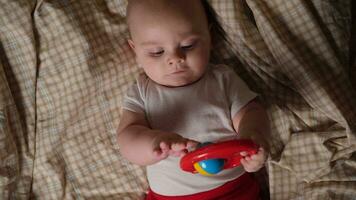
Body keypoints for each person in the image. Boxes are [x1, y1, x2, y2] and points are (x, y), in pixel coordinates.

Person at [117, 0, 270, 199]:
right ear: (135, 49)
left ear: (209, 37)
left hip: (235, 189)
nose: (175, 58)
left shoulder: (222, 79)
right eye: (157, 52)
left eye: (188, 45)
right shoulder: (142, 92)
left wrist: (253, 136)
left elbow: (251, 111)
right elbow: (127, 138)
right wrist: (153, 142)